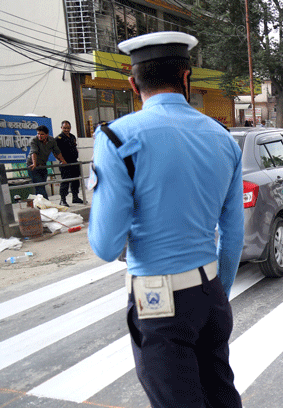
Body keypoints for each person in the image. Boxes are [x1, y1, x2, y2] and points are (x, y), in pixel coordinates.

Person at [88, 32, 244, 408]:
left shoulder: (116, 138)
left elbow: (106, 246)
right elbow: (234, 235)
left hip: (156, 300)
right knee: (221, 395)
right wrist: (215, 290)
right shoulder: (223, 139)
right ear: (186, 77)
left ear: (132, 83)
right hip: (210, 294)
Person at [26, 125, 68, 200]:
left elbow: (57, 152)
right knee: (39, 186)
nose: (39, 136)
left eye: (42, 134)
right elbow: (34, 152)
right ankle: (46, 203)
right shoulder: (34, 140)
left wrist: (63, 160)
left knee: (42, 185)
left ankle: (39, 203)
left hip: (43, 165)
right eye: (38, 134)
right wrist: (34, 164)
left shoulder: (51, 140)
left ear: (47, 134)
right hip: (32, 165)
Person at [55, 120, 85, 207]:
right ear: (61, 128)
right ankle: (63, 200)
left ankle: (75, 197)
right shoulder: (58, 138)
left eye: (68, 128)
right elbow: (55, 152)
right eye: (64, 128)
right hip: (65, 163)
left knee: (76, 180)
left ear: (70, 128)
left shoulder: (72, 136)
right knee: (65, 181)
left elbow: (75, 147)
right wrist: (61, 160)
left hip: (74, 162)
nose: (66, 130)